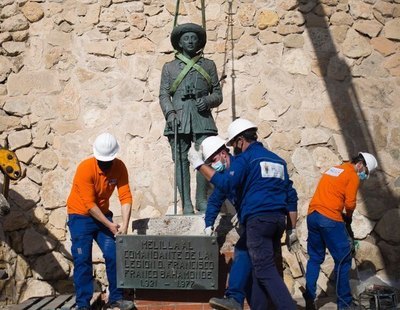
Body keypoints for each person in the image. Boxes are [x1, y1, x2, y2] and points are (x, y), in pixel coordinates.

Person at [189, 118, 298, 309]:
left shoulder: (244, 160)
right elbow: (290, 195)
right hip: (276, 221)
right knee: (251, 265)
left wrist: (199, 165)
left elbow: (228, 184)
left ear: (239, 141)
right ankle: (237, 299)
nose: (234, 149)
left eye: (233, 144)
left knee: (264, 270)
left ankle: (240, 299)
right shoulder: (276, 160)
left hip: (259, 219)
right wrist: (291, 228)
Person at [159, 22, 223, 214]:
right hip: (178, 117)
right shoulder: (169, 67)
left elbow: (218, 94)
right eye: (186, 38)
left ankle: (201, 200)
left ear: (199, 42)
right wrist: (170, 113)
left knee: (205, 155)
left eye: (193, 38)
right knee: (180, 159)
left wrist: (208, 101)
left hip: (201, 116)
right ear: (179, 42)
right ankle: (186, 203)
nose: (190, 41)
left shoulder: (208, 65)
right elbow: (163, 94)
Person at [66, 133, 135, 310]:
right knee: (83, 259)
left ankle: (116, 298)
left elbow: (125, 196)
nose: (105, 164)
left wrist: (125, 225)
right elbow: (89, 205)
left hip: (103, 216)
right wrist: (111, 225)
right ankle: (83, 305)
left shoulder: (119, 167)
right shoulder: (85, 169)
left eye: (108, 161)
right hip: (80, 216)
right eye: (102, 161)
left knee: (113, 254)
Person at [303, 152, 378, 310]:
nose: (364, 175)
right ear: (360, 165)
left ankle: (309, 296)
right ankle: (344, 304)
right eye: (365, 171)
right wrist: (348, 217)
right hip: (329, 218)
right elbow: (350, 203)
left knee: (315, 258)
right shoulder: (353, 175)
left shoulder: (334, 169)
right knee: (343, 260)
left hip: (313, 215)